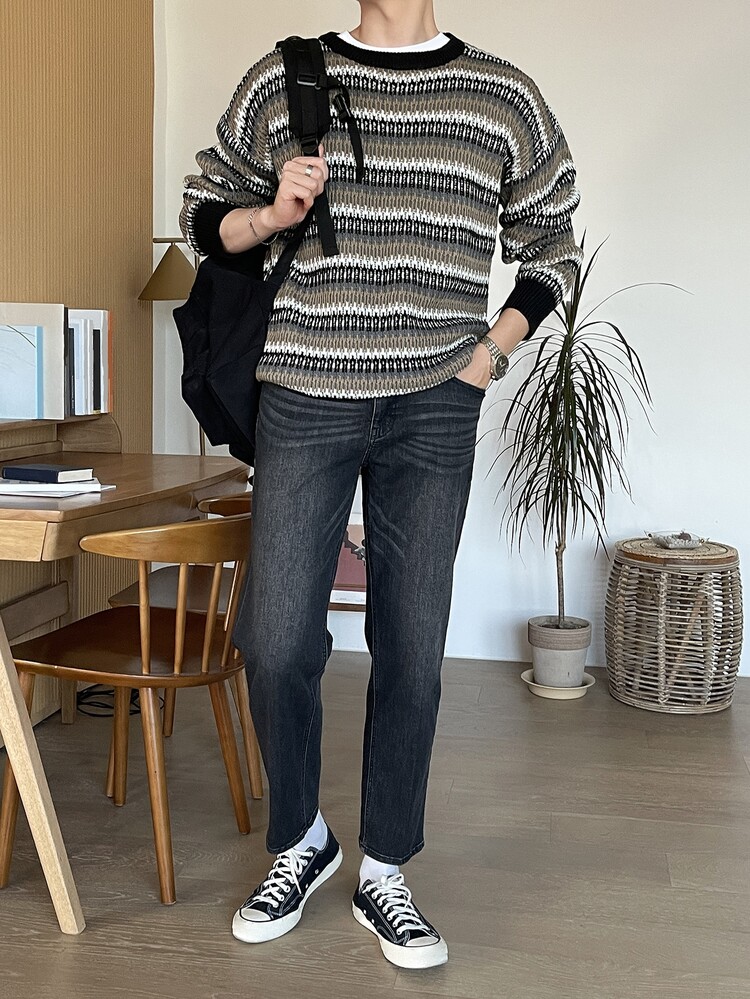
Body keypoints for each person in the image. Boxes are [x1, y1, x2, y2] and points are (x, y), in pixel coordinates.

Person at [180, 0, 582, 970]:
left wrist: (489, 353)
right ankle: (302, 838)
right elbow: (203, 217)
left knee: (412, 647)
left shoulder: (501, 96)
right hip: (304, 390)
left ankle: (386, 867)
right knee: (275, 639)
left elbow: (553, 246)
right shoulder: (285, 77)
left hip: (435, 404)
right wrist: (270, 215)